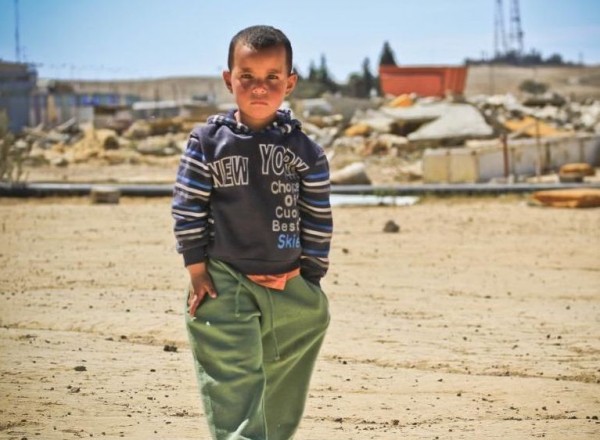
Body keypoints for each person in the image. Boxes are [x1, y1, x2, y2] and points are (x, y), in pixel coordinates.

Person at [171, 25, 333, 440]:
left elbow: (317, 216)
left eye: (272, 77)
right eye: (247, 77)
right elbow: (188, 206)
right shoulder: (207, 143)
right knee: (234, 378)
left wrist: (311, 278)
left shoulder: (305, 152)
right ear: (229, 80)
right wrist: (196, 269)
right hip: (223, 278)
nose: (259, 87)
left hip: (289, 280)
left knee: (285, 371)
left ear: (289, 83)